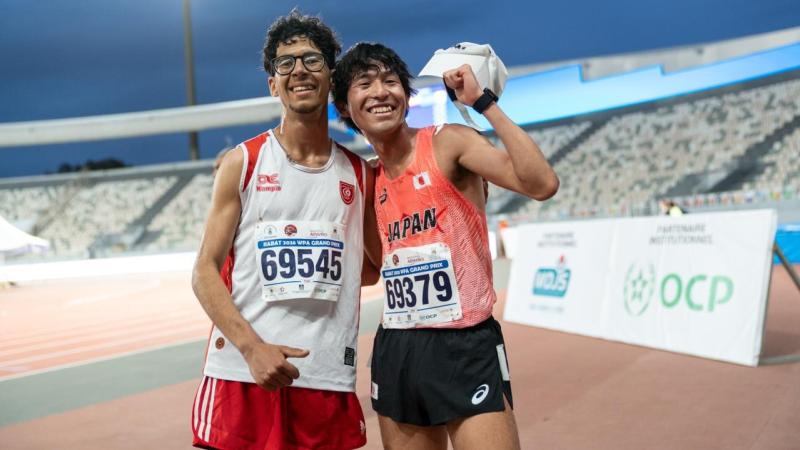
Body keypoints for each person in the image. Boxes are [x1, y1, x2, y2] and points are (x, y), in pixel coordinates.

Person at [332, 43, 559, 450]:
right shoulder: (365, 180)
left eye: (390, 81)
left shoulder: (448, 143)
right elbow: (372, 269)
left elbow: (542, 184)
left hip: (465, 343)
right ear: (345, 108)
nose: (380, 91)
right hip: (398, 348)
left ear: (406, 96)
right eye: (364, 84)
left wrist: (484, 104)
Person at [190, 12, 377, 450]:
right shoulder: (243, 163)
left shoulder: (360, 175)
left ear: (331, 76)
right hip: (242, 375)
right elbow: (204, 271)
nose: (299, 71)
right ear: (273, 84)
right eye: (285, 63)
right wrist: (252, 348)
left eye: (312, 60)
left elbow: (370, 269)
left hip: (326, 376)